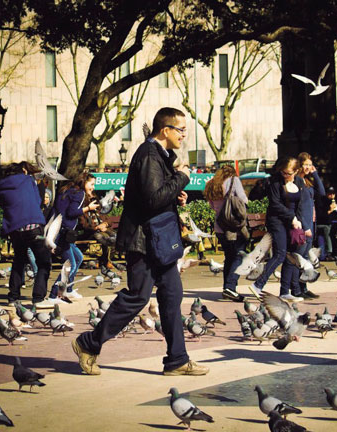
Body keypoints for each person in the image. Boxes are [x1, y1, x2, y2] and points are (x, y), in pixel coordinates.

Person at [73, 107, 208, 376]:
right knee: (137, 297)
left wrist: (176, 193)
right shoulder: (148, 154)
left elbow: (157, 194)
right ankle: (88, 343)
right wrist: (182, 178)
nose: (184, 135)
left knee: (172, 295)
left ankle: (177, 360)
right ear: (165, 130)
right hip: (143, 241)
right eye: (181, 129)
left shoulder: (159, 155)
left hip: (158, 239)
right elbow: (151, 200)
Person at [249, 156, 308, 302]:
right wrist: (292, 218)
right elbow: (275, 204)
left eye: (288, 173)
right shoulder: (275, 182)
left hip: (293, 222)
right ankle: (258, 285)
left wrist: (301, 224)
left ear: (296, 171)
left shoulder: (300, 182)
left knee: (292, 255)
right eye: (283, 172)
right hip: (277, 221)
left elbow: (300, 205)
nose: (285, 175)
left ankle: (284, 292)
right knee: (280, 254)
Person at [0, 162, 53, 308]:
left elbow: (3, 205)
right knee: (44, 262)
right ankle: (38, 298)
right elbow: (38, 200)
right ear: (23, 171)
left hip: (14, 229)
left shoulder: (0, 187)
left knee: (19, 261)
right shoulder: (28, 180)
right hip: (32, 226)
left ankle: (13, 297)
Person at [47, 172, 100, 302]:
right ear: (84, 182)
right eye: (91, 184)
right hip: (63, 232)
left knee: (79, 257)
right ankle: (54, 294)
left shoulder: (68, 190)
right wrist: (88, 208)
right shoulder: (80, 193)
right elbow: (72, 212)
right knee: (70, 265)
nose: (93, 187)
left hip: (58, 229)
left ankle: (68, 290)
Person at [205, 165, 249, 302]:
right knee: (239, 256)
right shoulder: (234, 180)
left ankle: (227, 289)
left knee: (229, 257)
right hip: (233, 227)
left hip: (219, 227)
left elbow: (212, 206)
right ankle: (230, 287)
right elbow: (243, 199)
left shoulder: (212, 184)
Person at [294, 152, 325, 299]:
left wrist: (315, 174)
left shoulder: (307, 181)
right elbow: (298, 208)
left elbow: (322, 192)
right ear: (299, 165)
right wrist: (305, 226)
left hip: (311, 223)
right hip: (303, 225)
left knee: (305, 258)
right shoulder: (296, 182)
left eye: (309, 164)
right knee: (299, 257)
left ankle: (303, 286)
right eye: (305, 164)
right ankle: (296, 288)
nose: (307, 167)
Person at [78, 190, 117, 269]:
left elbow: (109, 220)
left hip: (104, 229)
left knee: (116, 237)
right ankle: (106, 261)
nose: (94, 202)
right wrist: (96, 227)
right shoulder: (84, 212)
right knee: (105, 238)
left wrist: (105, 224)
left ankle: (104, 259)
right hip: (92, 232)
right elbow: (84, 225)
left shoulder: (99, 211)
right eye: (91, 200)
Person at [316, 186, 337, 261]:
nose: (332, 196)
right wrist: (330, 210)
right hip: (321, 224)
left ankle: (327, 253)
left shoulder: (333, 202)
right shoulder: (322, 202)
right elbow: (320, 216)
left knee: (331, 231)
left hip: (329, 224)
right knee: (327, 230)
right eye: (330, 194)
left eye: (333, 194)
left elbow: (335, 216)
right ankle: (329, 252)